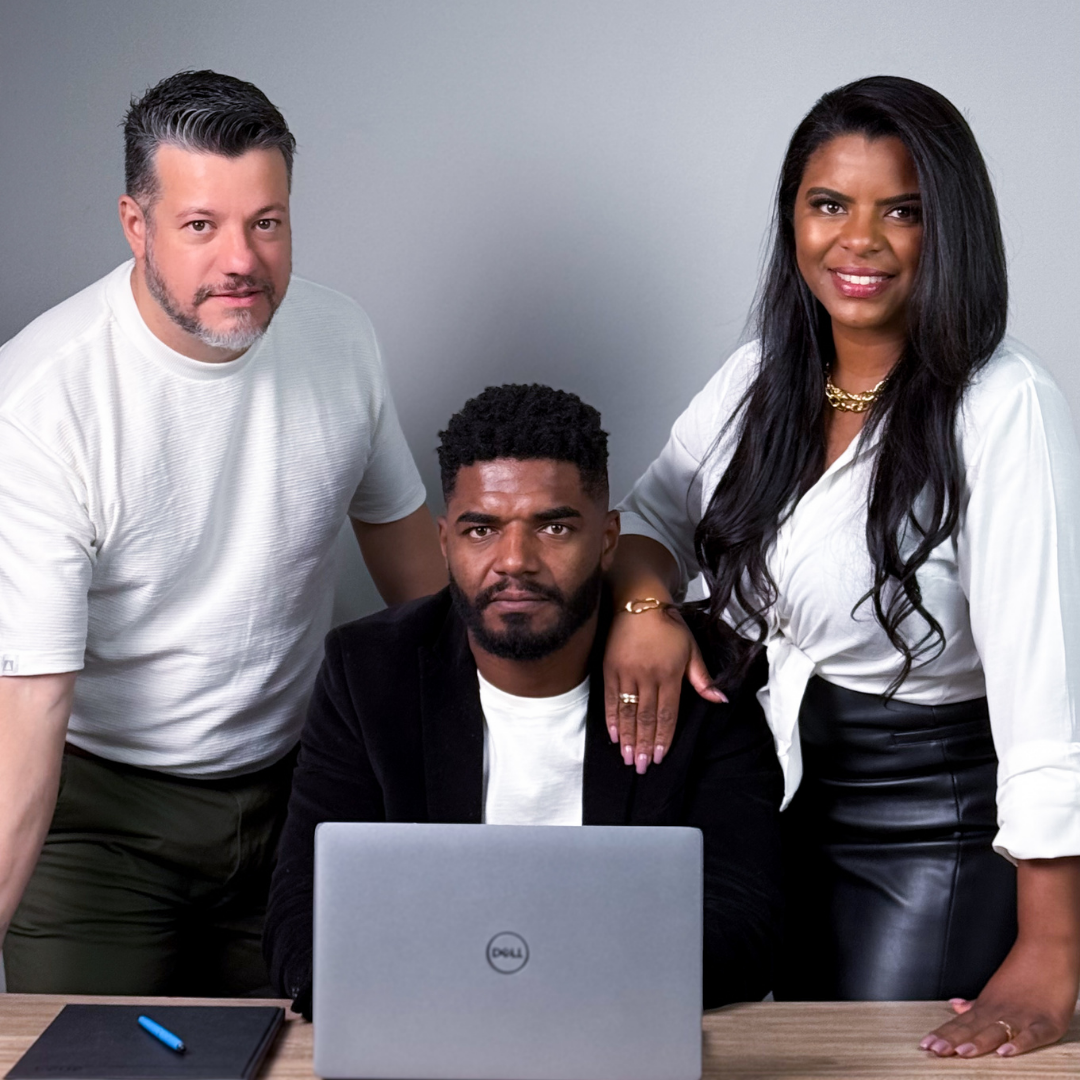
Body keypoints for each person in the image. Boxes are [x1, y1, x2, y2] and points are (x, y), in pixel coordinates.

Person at [603, 76, 1080, 1058]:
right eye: (829, 205)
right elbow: (648, 521)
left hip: (932, 836)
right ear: (793, 218)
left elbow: (1049, 699)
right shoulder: (764, 374)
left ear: (950, 230)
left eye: (901, 211)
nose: (858, 242)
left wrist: (1051, 952)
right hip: (771, 817)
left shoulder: (1005, 406)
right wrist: (647, 607)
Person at [0, 70, 446, 995]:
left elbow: (425, 589)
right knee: (86, 1058)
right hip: (100, 822)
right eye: (201, 225)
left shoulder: (340, 338)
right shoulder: (42, 401)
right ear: (137, 225)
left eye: (266, 222)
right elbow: (28, 714)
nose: (242, 259)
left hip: (299, 793)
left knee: (334, 1050)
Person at [263, 383, 784, 1017]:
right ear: (445, 542)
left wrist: (537, 989)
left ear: (609, 539)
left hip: (615, 1027)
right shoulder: (368, 672)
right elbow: (300, 920)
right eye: (481, 529)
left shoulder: (704, 675)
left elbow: (745, 925)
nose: (515, 561)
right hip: (431, 1027)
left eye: (554, 527)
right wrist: (466, 994)